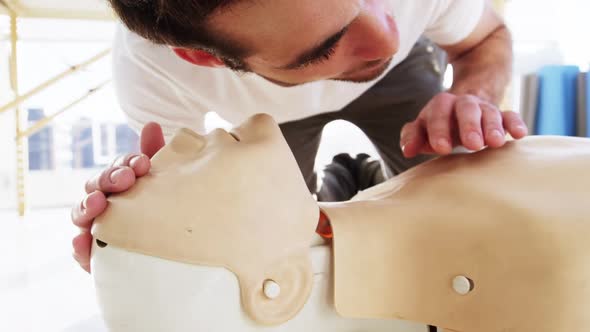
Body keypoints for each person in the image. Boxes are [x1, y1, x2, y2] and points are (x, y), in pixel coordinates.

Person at [72, 0, 528, 272]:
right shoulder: (150, 69)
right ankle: (344, 181)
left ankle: (366, 170)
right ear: (201, 58)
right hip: (265, 113)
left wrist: (472, 95)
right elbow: (178, 204)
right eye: (326, 45)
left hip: (403, 79)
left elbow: (484, 38)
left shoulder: (393, 40)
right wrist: (141, 243)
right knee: (287, 237)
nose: (387, 38)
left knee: (460, 203)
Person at [91, 114, 590, 332]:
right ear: (276, 289)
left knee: (349, 182)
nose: (177, 142)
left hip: (372, 202)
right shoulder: (555, 280)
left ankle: (342, 181)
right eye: (166, 180)